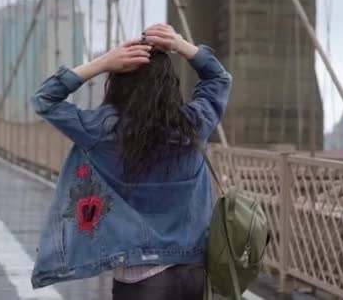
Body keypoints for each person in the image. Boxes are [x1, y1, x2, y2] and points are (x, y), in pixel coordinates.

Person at [30, 23, 232, 300]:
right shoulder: (194, 123)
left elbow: (44, 99)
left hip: (141, 278)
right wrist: (180, 44)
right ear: (170, 85)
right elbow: (219, 79)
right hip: (194, 271)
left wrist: (103, 62)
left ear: (119, 83)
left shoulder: (100, 129)